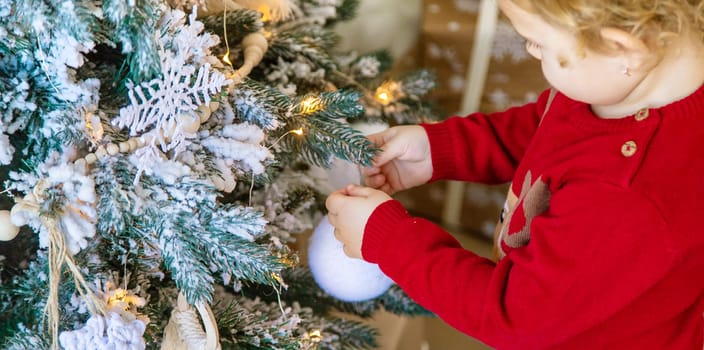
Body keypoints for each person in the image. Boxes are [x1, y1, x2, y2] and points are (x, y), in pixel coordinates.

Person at [325, 0, 704, 348]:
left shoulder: (626, 198)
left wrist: (388, 239)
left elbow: (511, 313)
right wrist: (438, 150)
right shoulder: (619, 88)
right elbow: (549, 127)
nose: (530, 51)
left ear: (623, 49)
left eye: (538, 43)